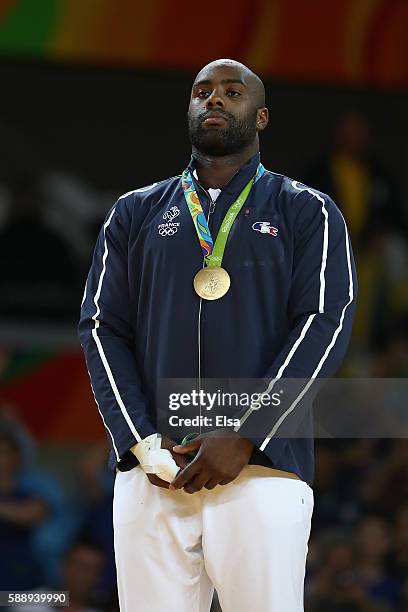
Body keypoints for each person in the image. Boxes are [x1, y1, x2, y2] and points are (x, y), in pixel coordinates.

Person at [79, 59, 357, 611]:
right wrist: (141, 441)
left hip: (263, 469)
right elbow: (101, 328)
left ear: (261, 117)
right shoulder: (133, 213)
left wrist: (246, 430)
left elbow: (323, 325)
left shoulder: (308, 211)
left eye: (232, 92)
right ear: (187, 109)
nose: (214, 100)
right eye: (202, 91)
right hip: (156, 469)